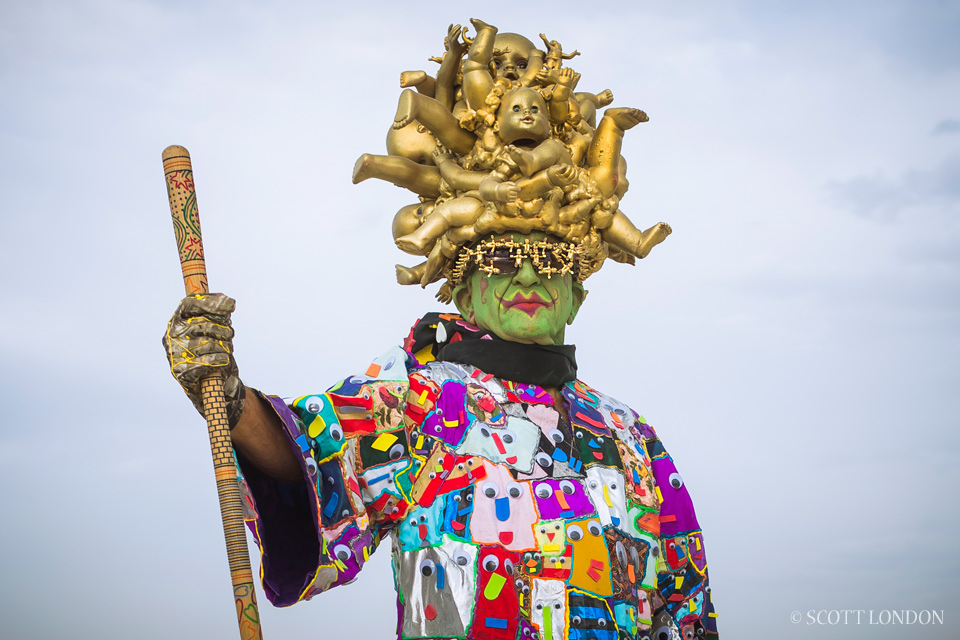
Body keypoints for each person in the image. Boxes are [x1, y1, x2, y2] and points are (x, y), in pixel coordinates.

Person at [163, 20, 718, 640]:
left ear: (578, 290)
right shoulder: (418, 402)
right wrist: (227, 394)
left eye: (552, 258)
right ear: (461, 282)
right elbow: (306, 458)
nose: (528, 275)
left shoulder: (634, 440)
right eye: (503, 257)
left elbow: (688, 610)